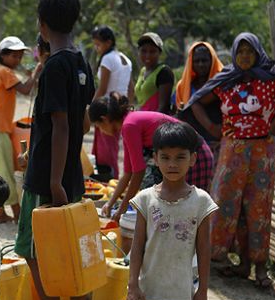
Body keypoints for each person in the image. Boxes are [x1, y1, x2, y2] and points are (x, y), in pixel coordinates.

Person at [187, 32, 275, 288]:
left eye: (250, 52)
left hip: (262, 152)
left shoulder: (274, 80)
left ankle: (260, 268)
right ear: (235, 54)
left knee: (258, 206)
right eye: (241, 52)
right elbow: (196, 102)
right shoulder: (225, 81)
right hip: (232, 149)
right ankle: (222, 259)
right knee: (224, 203)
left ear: (258, 53)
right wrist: (212, 127)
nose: (245, 57)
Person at [15, 0, 95, 300]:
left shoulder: (54, 67)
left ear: (42, 24)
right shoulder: (81, 62)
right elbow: (84, 124)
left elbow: (61, 126)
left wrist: (52, 180)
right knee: (70, 252)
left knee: (36, 253)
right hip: (71, 175)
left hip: (49, 176)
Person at [126, 122, 218, 300]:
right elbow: (137, 246)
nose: (172, 164)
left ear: (193, 159)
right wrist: (133, 285)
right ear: (155, 159)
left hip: (181, 296)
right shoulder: (145, 199)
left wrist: (202, 289)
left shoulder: (201, 201)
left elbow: (203, 249)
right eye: (165, 157)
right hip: (148, 292)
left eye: (180, 157)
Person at [90, 94, 214, 247]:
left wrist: (121, 210)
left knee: (189, 210)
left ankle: (193, 253)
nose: (101, 131)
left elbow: (139, 171)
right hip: (183, 156)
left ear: (104, 119)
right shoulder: (129, 124)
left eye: (99, 127)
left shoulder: (129, 125)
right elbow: (128, 172)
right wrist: (110, 203)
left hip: (194, 156)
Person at [0, 36, 42, 223]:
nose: (17, 60)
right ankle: (17, 214)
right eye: (14, 56)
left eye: (19, 56)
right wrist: (36, 71)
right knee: (5, 173)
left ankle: (2, 214)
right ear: (3, 55)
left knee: (0, 171)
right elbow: (24, 89)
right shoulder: (5, 72)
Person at [91, 26, 133, 181]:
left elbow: (102, 89)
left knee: (105, 154)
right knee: (112, 151)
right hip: (119, 110)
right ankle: (112, 182)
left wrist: (90, 110)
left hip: (106, 110)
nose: (97, 48)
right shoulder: (125, 59)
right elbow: (131, 88)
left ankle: (110, 183)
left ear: (108, 42)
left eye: (98, 44)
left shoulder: (108, 59)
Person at [174, 42, 224, 160]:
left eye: (204, 60)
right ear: (191, 62)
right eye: (197, 61)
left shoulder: (222, 84)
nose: (200, 64)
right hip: (191, 145)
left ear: (212, 61)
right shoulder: (183, 86)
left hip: (218, 143)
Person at [134, 32, 175, 113]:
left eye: (152, 51)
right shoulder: (143, 71)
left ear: (159, 53)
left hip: (156, 122)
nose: (147, 55)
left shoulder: (164, 72)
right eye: (143, 51)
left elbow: (163, 108)